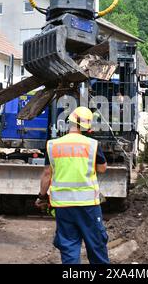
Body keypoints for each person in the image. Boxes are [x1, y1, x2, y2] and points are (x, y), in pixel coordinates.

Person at [36, 106, 109, 264]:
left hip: (63, 206)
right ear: (87, 126)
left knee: (69, 247)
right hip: (88, 205)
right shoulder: (92, 144)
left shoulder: (53, 145)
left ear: (69, 122)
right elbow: (102, 169)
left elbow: (47, 174)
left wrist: (41, 197)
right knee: (96, 245)